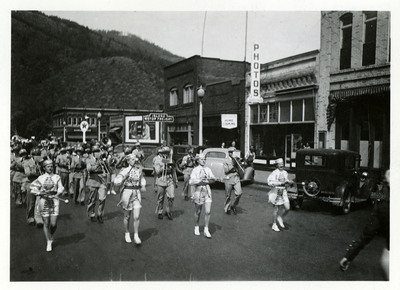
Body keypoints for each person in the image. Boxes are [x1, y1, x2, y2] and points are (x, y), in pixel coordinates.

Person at [339, 169, 390, 280]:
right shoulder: (382, 200)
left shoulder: (381, 201)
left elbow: (368, 233)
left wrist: (349, 256)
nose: (363, 178)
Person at [30, 160, 64, 252]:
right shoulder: (40, 178)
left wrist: (57, 194)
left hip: (54, 200)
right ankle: (48, 241)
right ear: (44, 168)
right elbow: (33, 187)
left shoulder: (57, 177)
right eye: (48, 166)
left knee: (53, 224)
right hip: (44, 200)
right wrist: (40, 192)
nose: (50, 168)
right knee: (46, 222)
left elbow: (60, 187)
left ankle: (51, 235)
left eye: (51, 166)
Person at [114, 153, 146, 244]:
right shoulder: (124, 170)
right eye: (132, 159)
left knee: (137, 216)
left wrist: (143, 185)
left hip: (136, 193)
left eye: (135, 159)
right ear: (128, 161)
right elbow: (116, 182)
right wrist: (124, 178)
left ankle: (136, 235)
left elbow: (142, 179)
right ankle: (127, 233)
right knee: (127, 216)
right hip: (127, 193)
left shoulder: (138, 170)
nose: (134, 161)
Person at [189, 153, 216, 238]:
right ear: (198, 160)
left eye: (205, 159)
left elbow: (213, 178)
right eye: (202, 159)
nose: (203, 160)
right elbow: (191, 182)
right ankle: (196, 226)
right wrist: (199, 181)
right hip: (198, 191)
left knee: (208, 211)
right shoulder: (195, 170)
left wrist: (210, 180)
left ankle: (206, 229)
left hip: (207, 191)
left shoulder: (208, 169)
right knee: (198, 211)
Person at [267, 158, 293, 232]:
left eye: (282, 163)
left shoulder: (285, 172)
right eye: (279, 164)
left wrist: (289, 182)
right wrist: (280, 183)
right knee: (276, 209)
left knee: (287, 208)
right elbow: (269, 182)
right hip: (276, 192)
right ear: (277, 165)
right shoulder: (274, 173)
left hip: (283, 191)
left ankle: (280, 217)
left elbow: (286, 180)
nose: (281, 165)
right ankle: (274, 224)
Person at [86, 145, 109, 223]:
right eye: (96, 152)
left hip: (101, 180)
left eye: (98, 151)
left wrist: (105, 162)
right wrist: (96, 165)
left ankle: (100, 215)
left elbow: (107, 169)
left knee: (102, 198)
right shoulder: (89, 159)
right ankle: (91, 214)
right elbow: (88, 168)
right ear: (93, 153)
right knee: (92, 199)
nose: (98, 153)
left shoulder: (102, 159)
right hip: (93, 180)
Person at [154, 146, 178, 220]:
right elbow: (157, 171)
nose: (166, 154)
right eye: (164, 152)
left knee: (171, 196)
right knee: (160, 198)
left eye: (167, 153)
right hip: (161, 180)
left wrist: (176, 181)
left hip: (169, 180)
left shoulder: (170, 160)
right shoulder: (157, 160)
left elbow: (174, 171)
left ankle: (168, 211)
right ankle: (160, 211)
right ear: (161, 153)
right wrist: (164, 164)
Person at [223, 147, 243, 215]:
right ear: (229, 153)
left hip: (236, 177)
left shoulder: (237, 160)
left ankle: (233, 205)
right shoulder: (226, 160)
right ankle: (227, 208)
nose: (233, 154)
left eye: (234, 152)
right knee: (228, 195)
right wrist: (233, 165)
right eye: (232, 152)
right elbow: (226, 171)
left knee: (239, 193)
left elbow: (241, 168)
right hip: (229, 178)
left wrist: (239, 162)